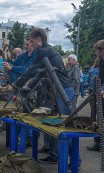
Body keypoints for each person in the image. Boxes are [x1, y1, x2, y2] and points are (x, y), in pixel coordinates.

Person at [12, 28, 74, 164]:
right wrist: (26, 87)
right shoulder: (46, 51)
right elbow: (39, 73)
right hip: (58, 89)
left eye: (33, 42)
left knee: (65, 127)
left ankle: (74, 161)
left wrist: (16, 85)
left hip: (62, 90)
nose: (32, 45)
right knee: (54, 123)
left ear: (39, 39)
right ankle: (55, 155)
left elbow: (31, 71)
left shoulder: (43, 51)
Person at [87, 40, 104, 151]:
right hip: (100, 93)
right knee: (100, 118)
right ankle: (98, 144)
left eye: (97, 51)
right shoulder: (102, 62)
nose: (96, 53)